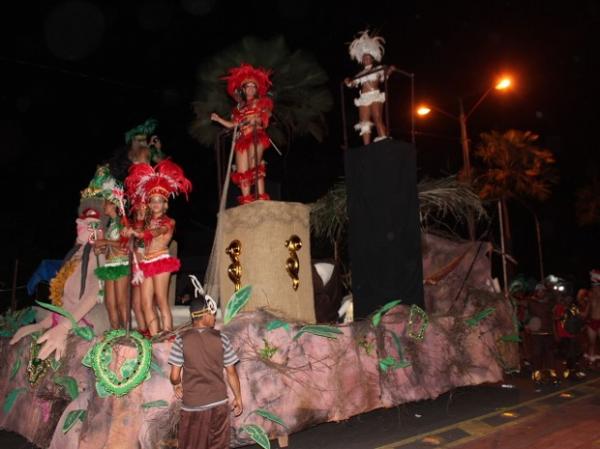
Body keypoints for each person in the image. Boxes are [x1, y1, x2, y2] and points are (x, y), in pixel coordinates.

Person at [125, 159, 192, 337]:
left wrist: (139, 233)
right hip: (146, 262)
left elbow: (157, 232)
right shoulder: (144, 222)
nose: (156, 204)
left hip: (161, 260)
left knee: (161, 300)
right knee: (146, 303)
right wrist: (129, 230)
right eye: (153, 200)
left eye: (159, 201)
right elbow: (136, 236)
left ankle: (168, 335)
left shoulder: (169, 221)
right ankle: (155, 337)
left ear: (165, 204)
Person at [168, 293, 243, 449]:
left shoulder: (181, 340)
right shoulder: (221, 338)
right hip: (219, 404)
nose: (214, 318)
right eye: (212, 314)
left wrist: (177, 385)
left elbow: (175, 375)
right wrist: (238, 397)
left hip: (193, 407)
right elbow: (231, 372)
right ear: (204, 315)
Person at [211, 63, 274, 205]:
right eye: (248, 86)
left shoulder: (261, 103)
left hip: (256, 136)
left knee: (255, 163)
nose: (251, 89)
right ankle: (247, 201)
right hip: (242, 139)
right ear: (243, 90)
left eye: (253, 86)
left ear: (257, 89)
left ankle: (261, 197)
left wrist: (258, 118)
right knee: (242, 170)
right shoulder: (238, 108)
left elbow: (266, 118)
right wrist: (219, 119)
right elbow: (234, 125)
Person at [345, 30, 395, 145]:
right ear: (362, 60)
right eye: (364, 57)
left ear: (372, 58)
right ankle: (367, 147)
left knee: (377, 118)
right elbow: (352, 84)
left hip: (374, 95)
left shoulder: (378, 69)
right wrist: (348, 81)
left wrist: (391, 70)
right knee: (364, 122)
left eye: (368, 57)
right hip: (363, 98)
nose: (366, 59)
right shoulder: (360, 74)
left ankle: (384, 142)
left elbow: (385, 76)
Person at [93, 197, 131, 329]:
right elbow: (110, 246)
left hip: (121, 264)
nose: (103, 206)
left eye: (106, 203)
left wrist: (105, 242)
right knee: (109, 303)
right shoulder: (110, 225)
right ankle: (115, 333)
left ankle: (127, 334)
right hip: (109, 265)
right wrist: (101, 250)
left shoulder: (123, 222)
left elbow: (126, 244)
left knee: (121, 302)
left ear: (114, 206)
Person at [526, 283, 558, 383]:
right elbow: (527, 315)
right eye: (538, 291)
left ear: (545, 292)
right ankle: (536, 374)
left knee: (550, 354)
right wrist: (527, 324)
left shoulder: (550, 302)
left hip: (548, 332)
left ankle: (552, 373)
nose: (540, 292)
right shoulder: (531, 302)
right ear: (536, 292)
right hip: (536, 333)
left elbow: (553, 315)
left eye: (542, 291)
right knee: (537, 354)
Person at [582, 269, 600, 365]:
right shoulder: (590, 294)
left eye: (595, 284)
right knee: (591, 343)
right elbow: (586, 311)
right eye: (592, 284)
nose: (594, 286)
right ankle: (591, 360)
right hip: (592, 321)